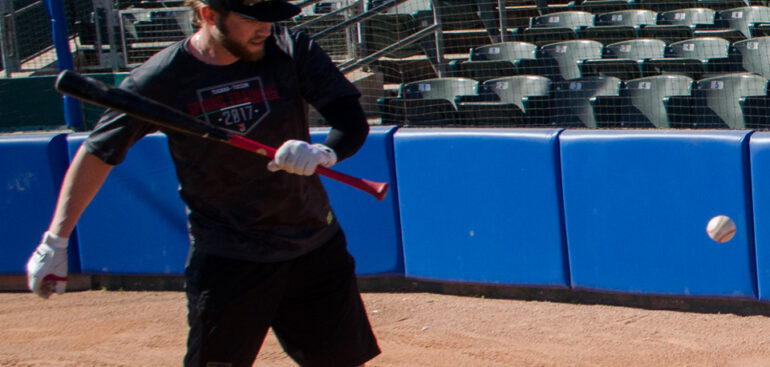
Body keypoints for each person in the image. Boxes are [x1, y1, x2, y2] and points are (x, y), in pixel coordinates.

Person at [24, 0, 381, 365]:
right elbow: (99, 152)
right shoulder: (163, 77)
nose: (265, 29)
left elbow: (349, 118)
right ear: (209, 14)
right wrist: (56, 240)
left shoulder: (290, 49)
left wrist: (325, 153)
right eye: (252, 19)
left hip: (314, 245)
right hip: (229, 258)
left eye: (271, 19)